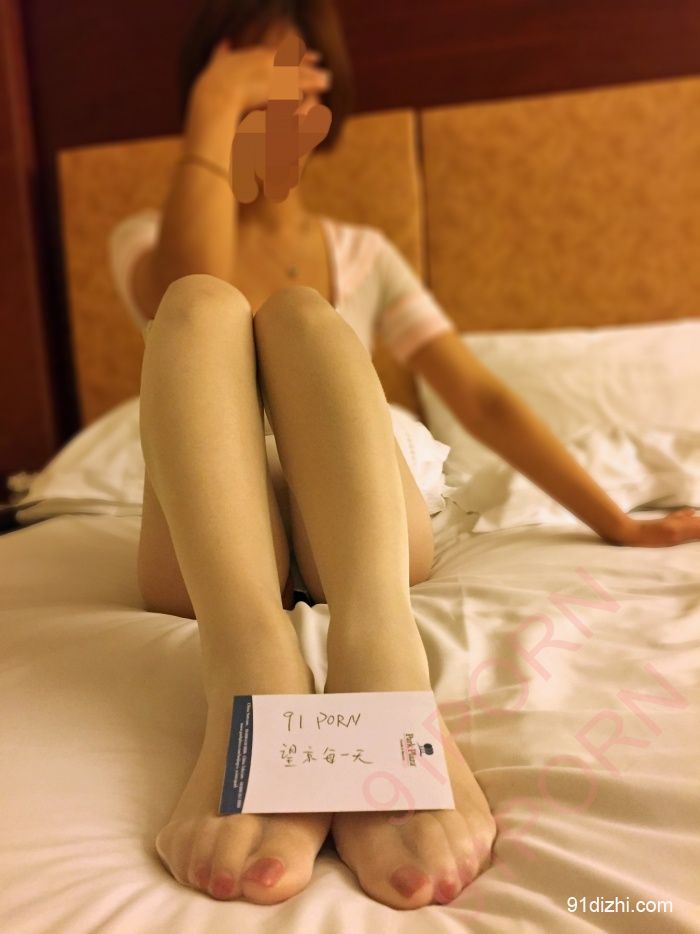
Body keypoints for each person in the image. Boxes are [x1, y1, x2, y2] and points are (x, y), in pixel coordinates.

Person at [114, 0, 700, 911]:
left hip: (354, 530)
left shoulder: (363, 254)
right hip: (210, 546)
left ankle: (380, 649)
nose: (268, 103)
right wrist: (213, 113)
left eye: (290, 81)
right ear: (209, 96)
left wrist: (615, 520)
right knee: (198, 305)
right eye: (245, 84)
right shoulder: (145, 242)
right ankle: (251, 666)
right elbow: (190, 277)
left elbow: (481, 398)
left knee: (304, 316)